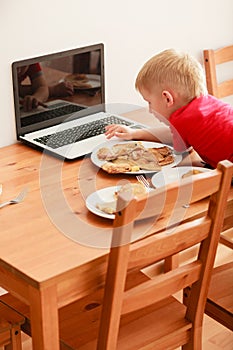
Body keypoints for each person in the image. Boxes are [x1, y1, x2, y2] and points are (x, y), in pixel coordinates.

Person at [105, 49, 233, 169]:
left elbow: (178, 152)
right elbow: (174, 133)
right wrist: (134, 133)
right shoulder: (207, 101)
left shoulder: (183, 121)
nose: (149, 110)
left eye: (149, 102)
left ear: (167, 99)